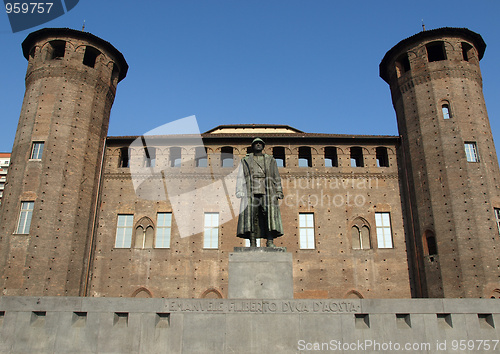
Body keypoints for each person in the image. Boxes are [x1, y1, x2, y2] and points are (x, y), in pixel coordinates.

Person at [236, 138, 284, 247]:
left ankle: (270, 241)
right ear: (252, 146)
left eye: (260, 143)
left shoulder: (271, 160)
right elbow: (240, 176)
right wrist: (239, 190)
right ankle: (252, 242)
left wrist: (279, 190)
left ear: (263, 146)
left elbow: (276, 176)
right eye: (256, 143)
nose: (258, 145)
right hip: (250, 189)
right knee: (251, 216)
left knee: (269, 215)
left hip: (267, 190)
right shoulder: (245, 160)